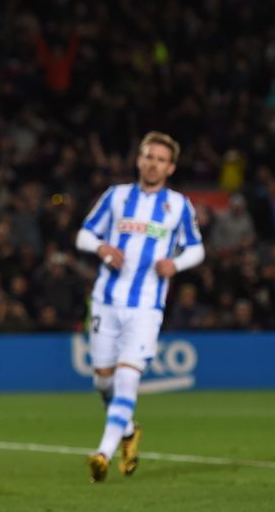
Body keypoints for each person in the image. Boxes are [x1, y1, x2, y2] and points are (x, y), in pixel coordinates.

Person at [76, 131, 205, 482]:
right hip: (106, 301)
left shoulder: (178, 205)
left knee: (128, 378)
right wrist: (102, 248)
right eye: (149, 156)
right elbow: (84, 234)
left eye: (161, 159)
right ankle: (129, 432)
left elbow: (197, 248)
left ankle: (102, 453)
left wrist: (175, 264)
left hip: (147, 307)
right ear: (139, 160)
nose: (153, 163)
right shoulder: (116, 197)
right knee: (104, 382)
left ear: (171, 167)